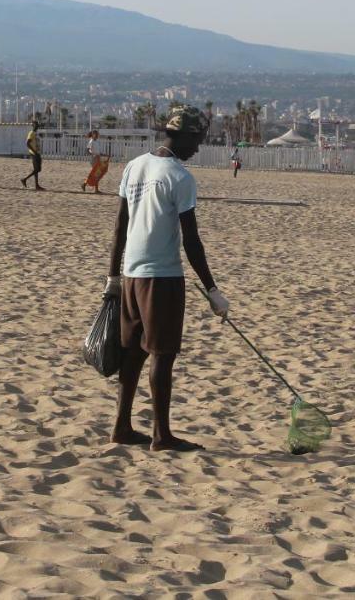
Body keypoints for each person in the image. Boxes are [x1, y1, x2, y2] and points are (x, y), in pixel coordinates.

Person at [104, 105, 229, 452]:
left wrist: (113, 276)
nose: (198, 148)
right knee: (162, 354)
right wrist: (213, 289)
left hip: (131, 274)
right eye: (198, 140)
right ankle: (162, 435)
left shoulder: (135, 166)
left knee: (132, 353)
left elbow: (120, 226)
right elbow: (192, 240)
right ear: (185, 136)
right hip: (162, 278)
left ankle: (122, 426)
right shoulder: (180, 176)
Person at [20, 119, 44, 191]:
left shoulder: (35, 133)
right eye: (35, 125)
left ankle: (36, 185)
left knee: (36, 169)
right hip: (34, 153)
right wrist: (35, 152)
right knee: (37, 169)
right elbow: (27, 143)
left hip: (37, 153)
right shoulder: (31, 133)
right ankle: (24, 179)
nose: (37, 126)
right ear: (33, 125)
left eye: (37, 125)